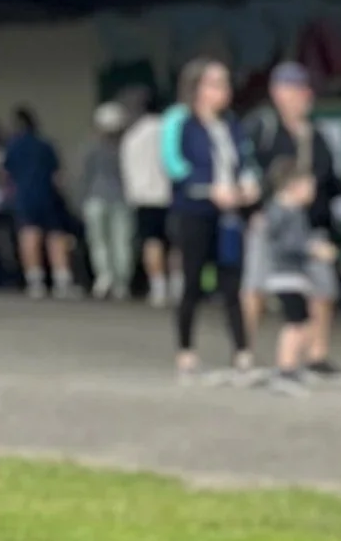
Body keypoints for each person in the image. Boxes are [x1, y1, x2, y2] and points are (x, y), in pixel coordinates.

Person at [249, 60, 341, 384]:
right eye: (293, 89)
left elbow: (329, 180)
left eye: (303, 89)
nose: (301, 96)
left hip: (312, 226)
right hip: (273, 224)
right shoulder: (263, 131)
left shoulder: (316, 136)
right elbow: (250, 173)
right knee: (255, 288)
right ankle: (247, 353)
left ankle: (316, 356)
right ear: (277, 93)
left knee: (323, 291)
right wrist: (253, 212)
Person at [162, 58, 257, 382]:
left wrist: (247, 182)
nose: (223, 91)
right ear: (197, 88)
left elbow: (245, 159)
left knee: (232, 282)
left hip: (229, 214)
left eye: (225, 83)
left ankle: (242, 351)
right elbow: (174, 164)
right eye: (215, 83)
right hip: (194, 211)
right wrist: (207, 188)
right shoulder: (179, 120)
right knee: (192, 281)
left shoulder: (230, 123)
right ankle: (186, 350)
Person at [249, 156, 325, 396]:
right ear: (293, 185)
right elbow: (285, 244)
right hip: (286, 276)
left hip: (295, 276)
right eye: (309, 186)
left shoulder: (290, 211)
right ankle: (285, 368)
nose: (313, 192)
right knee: (295, 323)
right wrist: (311, 249)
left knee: (302, 321)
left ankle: (291, 366)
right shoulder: (283, 211)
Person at [3, 107, 70, 299]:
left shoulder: (13, 146)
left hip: (24, 196)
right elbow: (58, 175)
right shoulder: (45, 145)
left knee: (29, 236)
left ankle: (35, 279)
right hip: (47, 195)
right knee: (55, 236)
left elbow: (6, 174)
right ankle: (62, 278)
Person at [121, 88, 174, 308]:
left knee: (151, 242)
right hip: (170, 194)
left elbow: (127, 168)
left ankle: (158, 286)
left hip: (143, 196)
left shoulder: (132, 136)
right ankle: (178, 285)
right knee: (175, 243)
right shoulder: (168, 131)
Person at [77, 101, 134, 301]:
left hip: (95, 198)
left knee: (99, 241)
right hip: (122, 198)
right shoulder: (126, 148)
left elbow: (85, 176)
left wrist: (81, 200)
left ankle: (104, 276)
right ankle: (121, 282)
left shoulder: (91, 147)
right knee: (122, 241)